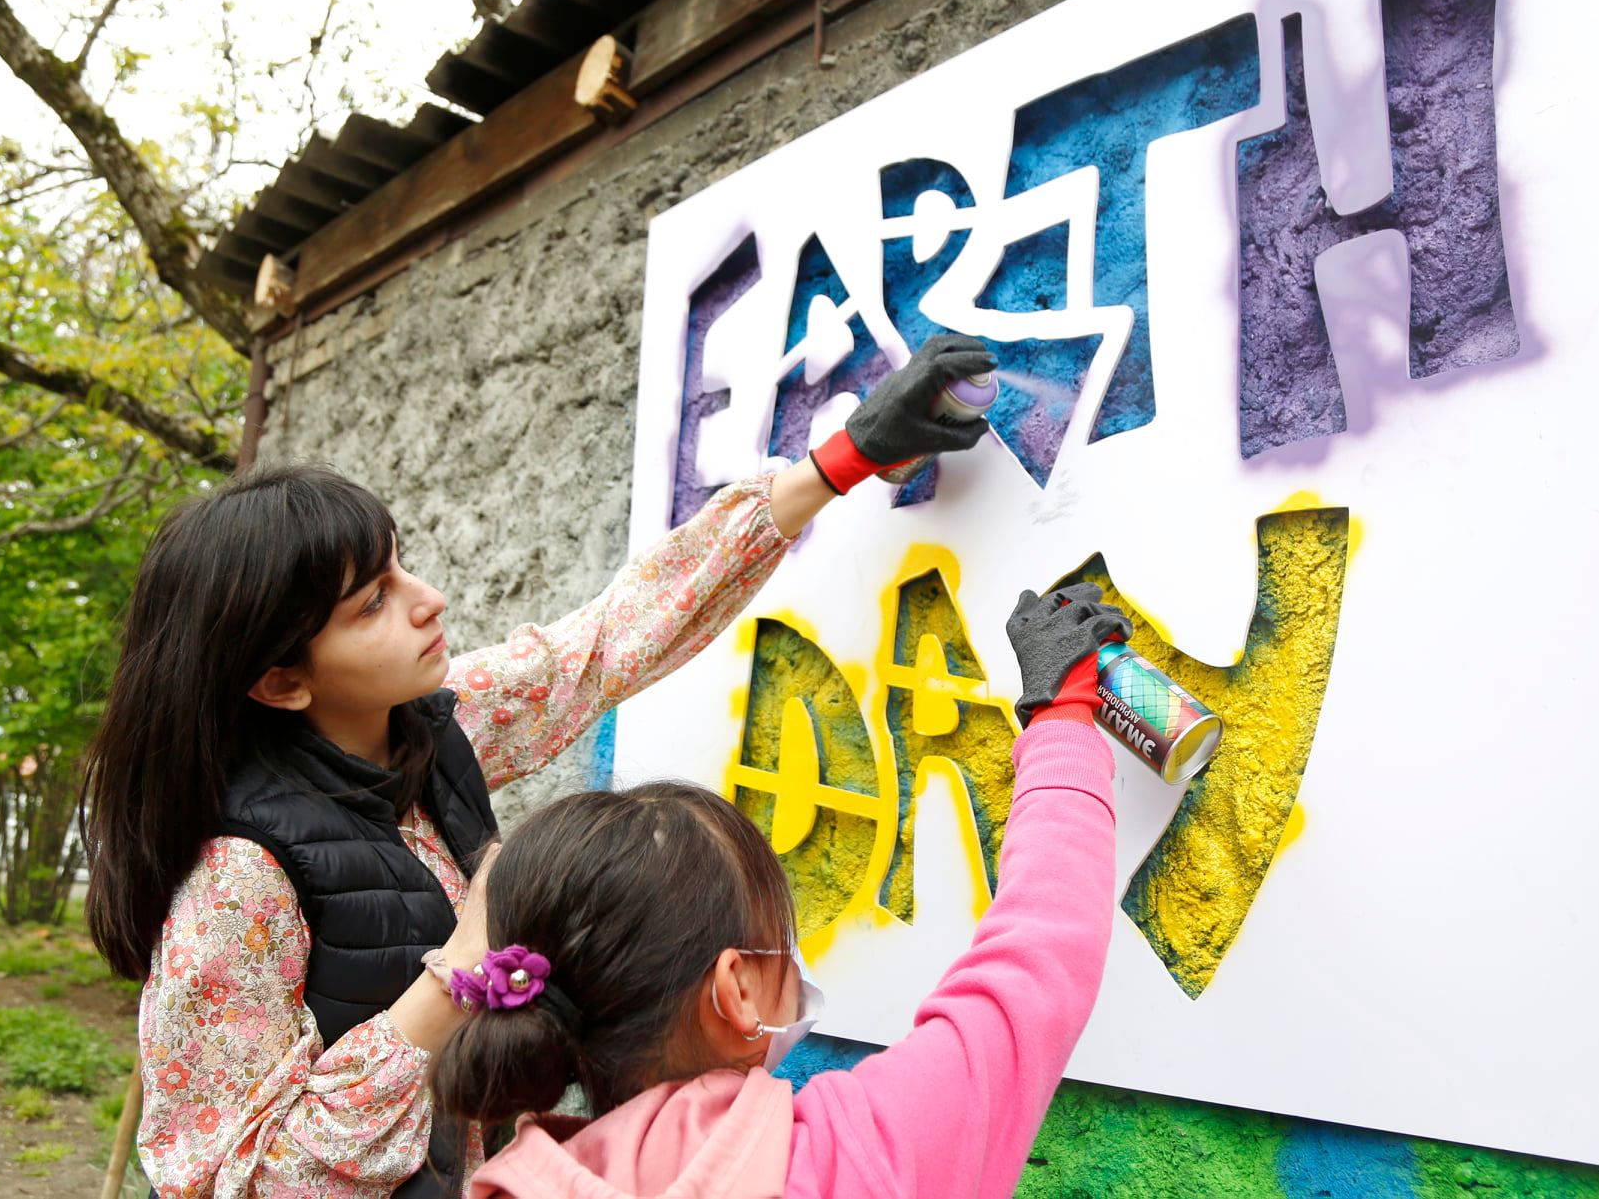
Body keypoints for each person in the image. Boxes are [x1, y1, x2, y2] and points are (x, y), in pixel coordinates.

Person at [77, 334, 996, 1197]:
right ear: (281, 681)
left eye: (402, 567)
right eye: (372, 604)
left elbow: (611, 638)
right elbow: (241, 1182)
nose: (429, 600)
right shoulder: (236, 880)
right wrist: (457, 969)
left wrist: (845, 456)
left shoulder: (432, 728)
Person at [428, 582, 1131, 1198]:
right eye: (779, 945)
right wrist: (1061, 719)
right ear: (734, 990)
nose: (795, 968)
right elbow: (1032, 967)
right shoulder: (843, 1158)